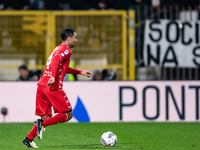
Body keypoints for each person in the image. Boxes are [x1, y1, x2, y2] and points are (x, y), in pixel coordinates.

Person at [22, 28, 92, 148]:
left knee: (46, 117)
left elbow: (64, 67)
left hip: (42, 84)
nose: (76, 40)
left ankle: (28, 139)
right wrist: (54, 77)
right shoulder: (66, 50)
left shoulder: (57, 48)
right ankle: (41, 123)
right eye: (75, 37)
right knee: (68, 114)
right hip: (52, 86)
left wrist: (80, 72)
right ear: (69, 38)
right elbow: (56, 60)